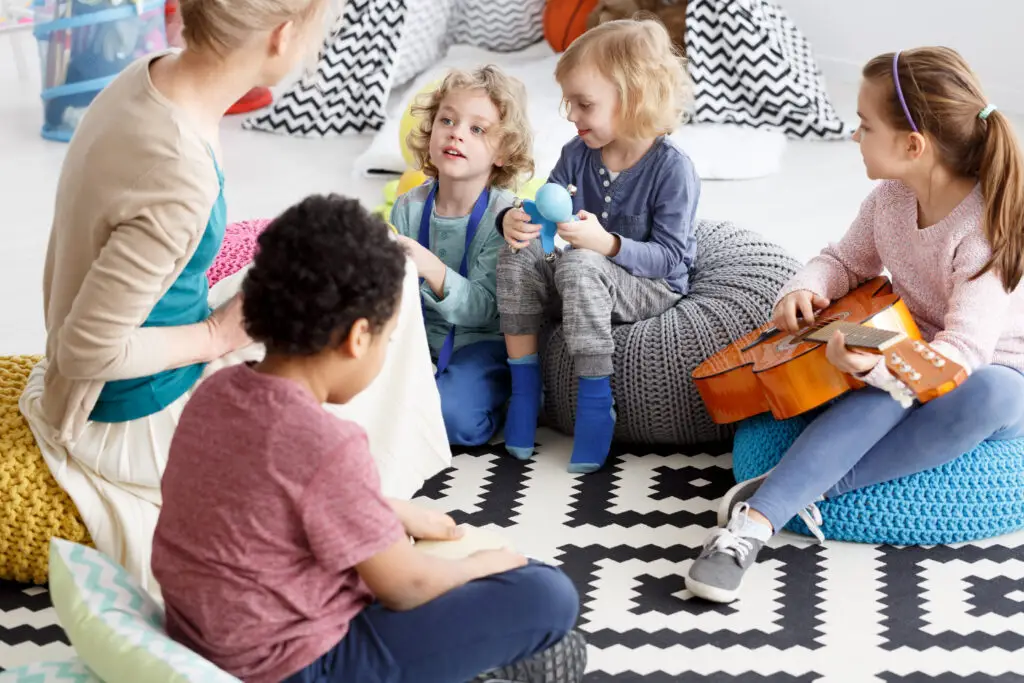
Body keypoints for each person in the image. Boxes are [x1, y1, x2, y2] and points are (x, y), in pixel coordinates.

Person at [18, 0, 449, 596]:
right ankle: (360, 505)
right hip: (133, 414)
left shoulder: (150, 76)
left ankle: (359, 494)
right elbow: (85, 349)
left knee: (371, 262)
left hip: (160, 349)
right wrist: (219, 335)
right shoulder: (177, 170)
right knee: (381, 290)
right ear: (280, 36)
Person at [152, 194, 587, 683]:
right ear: (359, 337)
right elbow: (406, 586)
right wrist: (484, 564)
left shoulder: (216, 393)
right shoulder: (326, 443)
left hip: (201, 637)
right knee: (548, 593)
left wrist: (387, 510)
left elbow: (269, 499)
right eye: (388, 338)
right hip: (297, 665)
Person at [686, 47, 1024, 604]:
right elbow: (843, 261)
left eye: (865, 126)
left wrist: (884, 365)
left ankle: (791, 493)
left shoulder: (984, 232)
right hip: (911, 347)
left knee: (988, 392)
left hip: (990, 370)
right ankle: (748, 529)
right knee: (881, 393)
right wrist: (806, 288)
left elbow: (965, 351)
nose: (853, 136)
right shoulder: (889, 200)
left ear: (913, 145)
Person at [496, 18, 701, 473]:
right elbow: (547, 212)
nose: (571, 116)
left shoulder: (672, 170)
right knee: (516, 255)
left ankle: (594, 402)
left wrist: (606, 244)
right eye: (569, 103)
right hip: (583, 275)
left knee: (581, 265)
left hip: (651, 285)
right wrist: (512, 220)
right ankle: (525, 389)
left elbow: (669, 258)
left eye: (584, 104)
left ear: (633, 100)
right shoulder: (577, 153)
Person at [391, 65, 534, 447]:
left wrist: (432, 269)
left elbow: (486, 309)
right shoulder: (408, 206)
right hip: (417, 340)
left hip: (478, 344)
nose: (456, 133)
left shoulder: (505, 217)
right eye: (447, 120)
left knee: (452, 421)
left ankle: (494, 397)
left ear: (503, 152)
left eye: (477, 129)